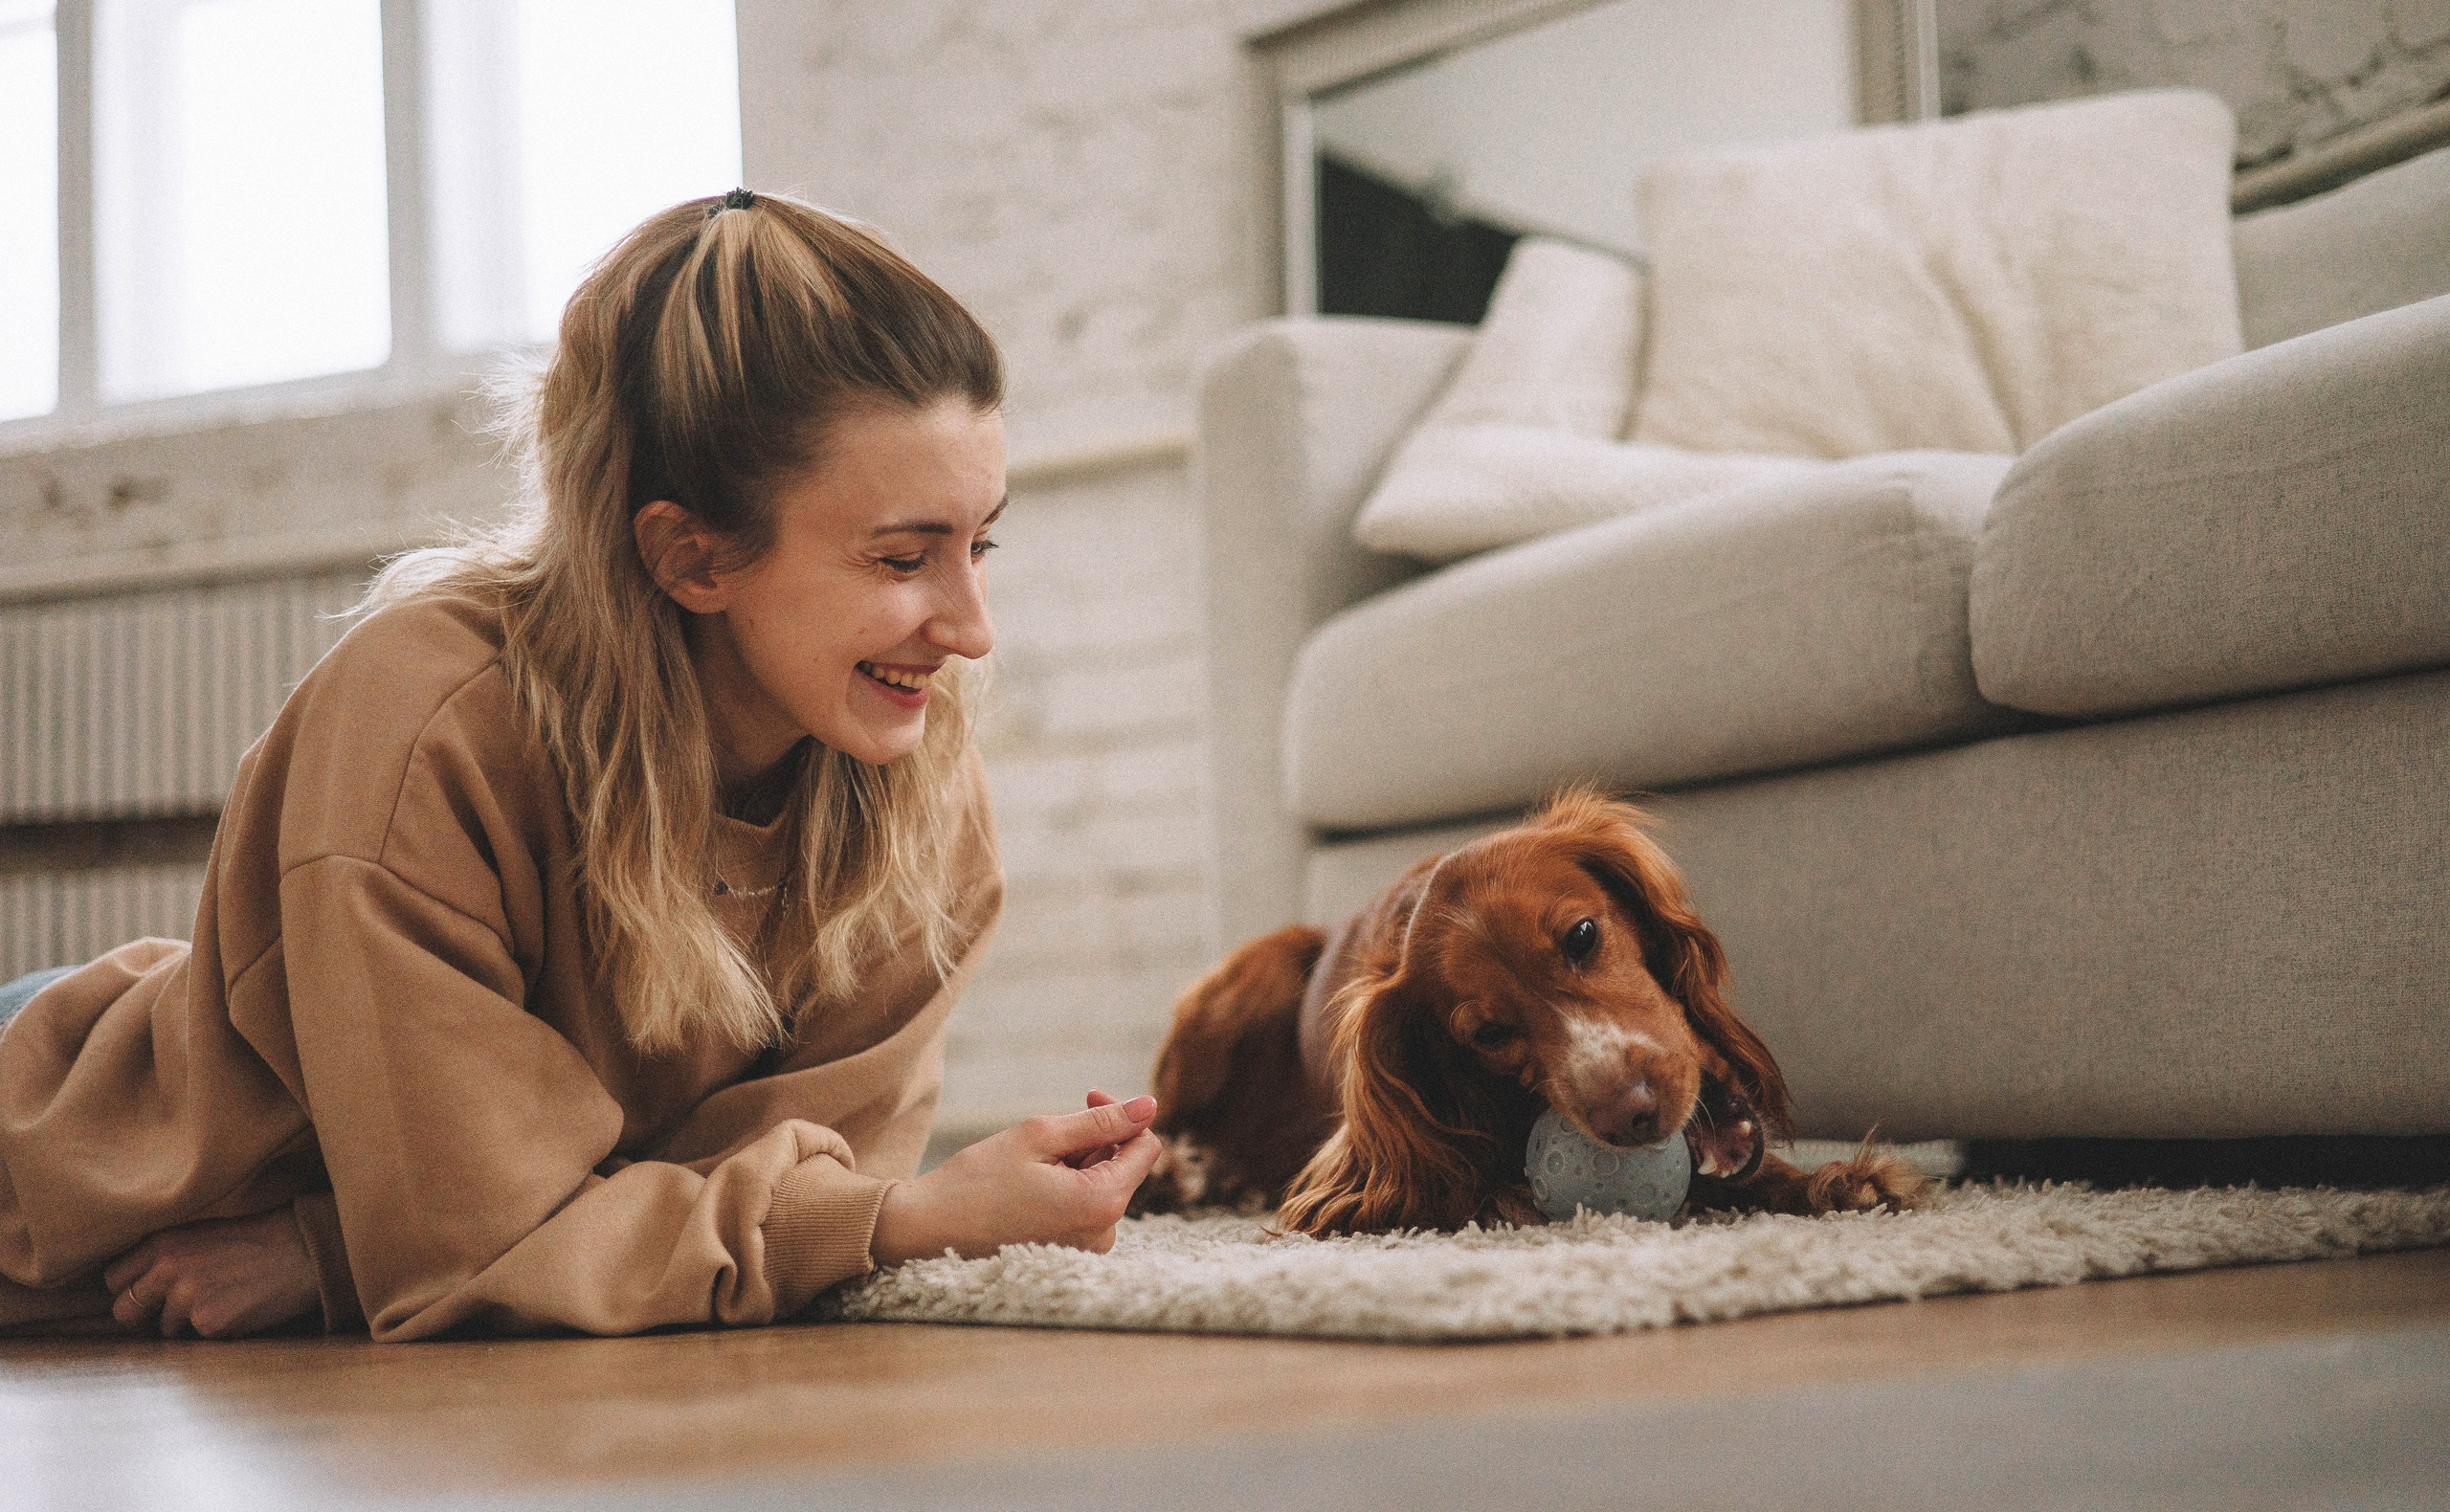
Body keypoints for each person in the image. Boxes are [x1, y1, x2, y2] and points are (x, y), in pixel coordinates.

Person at [0, 190, 1162, 1342]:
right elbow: (494, 1242)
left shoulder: (914, 780)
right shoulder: (423, 722)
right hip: (59, 1153)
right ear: (690, 555)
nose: (972, 629)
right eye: (903, 558)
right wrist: (904, 1220)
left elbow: (768, 1196)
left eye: (980, 542)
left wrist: (329, 1249)